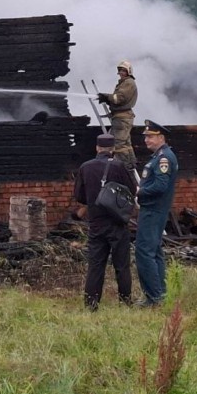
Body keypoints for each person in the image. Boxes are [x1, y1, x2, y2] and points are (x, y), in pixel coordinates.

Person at [73, 133, 138, 311]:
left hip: (96, 224)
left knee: (95, 265)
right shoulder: (119, 166)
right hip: (117, 223)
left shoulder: (85, 167)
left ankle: (91, 305)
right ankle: (125, 303)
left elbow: (79, 196)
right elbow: (132, 190)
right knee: (122, 265)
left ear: (97, 148)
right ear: (113, 149)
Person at [134, 119, 179, 307]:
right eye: (145, 137)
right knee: (155, 252)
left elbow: (160, 186)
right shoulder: (159, 156)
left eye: (150, 137)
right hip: (153, 209)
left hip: (153, 210)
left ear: (161, 137)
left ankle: (153, 297)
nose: (147, 140)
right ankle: (160, 293)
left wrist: (140, 191)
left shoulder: (163, 158)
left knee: (144, 252)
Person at [97, 61, 137, 171]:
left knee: (117, 143)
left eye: (123, 70)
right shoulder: (124, 83)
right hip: (122, 118)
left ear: (129, 71)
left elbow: (119, 98)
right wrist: (108, 100)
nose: (121, 72)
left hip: (122, 119)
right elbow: (118, 100)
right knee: (125, 143)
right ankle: (131, 163)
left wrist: (106, 97)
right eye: (119, 70)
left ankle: (124, 166)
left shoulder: (128, 83)